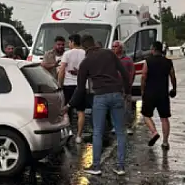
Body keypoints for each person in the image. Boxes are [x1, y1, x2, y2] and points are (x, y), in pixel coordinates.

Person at [69, 34, 131, 175]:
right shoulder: (109, 53)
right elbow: (125, 74)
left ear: (85, 47)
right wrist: (126, 92)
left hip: (100, 97)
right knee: (121, 132)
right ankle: (121, 167)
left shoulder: (86, 62)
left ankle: (96, 166)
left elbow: (80, 89)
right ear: (95, 43)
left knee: (97, 132)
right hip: (116, 94)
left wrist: (69, 105)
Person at [141, 40, 177, 149]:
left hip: (150, 93)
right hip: (163, 94)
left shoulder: (148, 61)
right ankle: (165, 142)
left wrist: (142, 91)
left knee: (146, 115)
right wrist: (174, 89)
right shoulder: (168, 62)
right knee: (164, 118)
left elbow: (143, 76)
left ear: (153, 49)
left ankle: (154, 132)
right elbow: (173, 77)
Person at [58, 34, 86, 143]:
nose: (68, 44)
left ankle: (69, 132)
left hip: (68, 85)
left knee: (66, 110)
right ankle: (79, 136)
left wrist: (60, 85)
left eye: (69, 42)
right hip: (80, 85)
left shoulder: (67, 54)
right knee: (81, 111)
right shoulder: (85, 53)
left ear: (72, 42)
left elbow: (61, 70)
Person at [111, 40, 136, 135]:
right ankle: (115, 126)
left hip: (125, 88)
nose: (113, 48)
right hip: (113, 88)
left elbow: (132, 73)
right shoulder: (111, 59)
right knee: (114, 108)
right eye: (113, 46)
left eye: (115, 46)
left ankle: (128, 126)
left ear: (121, 48)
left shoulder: (128, 60)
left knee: (126, 109)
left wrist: (129, 85)